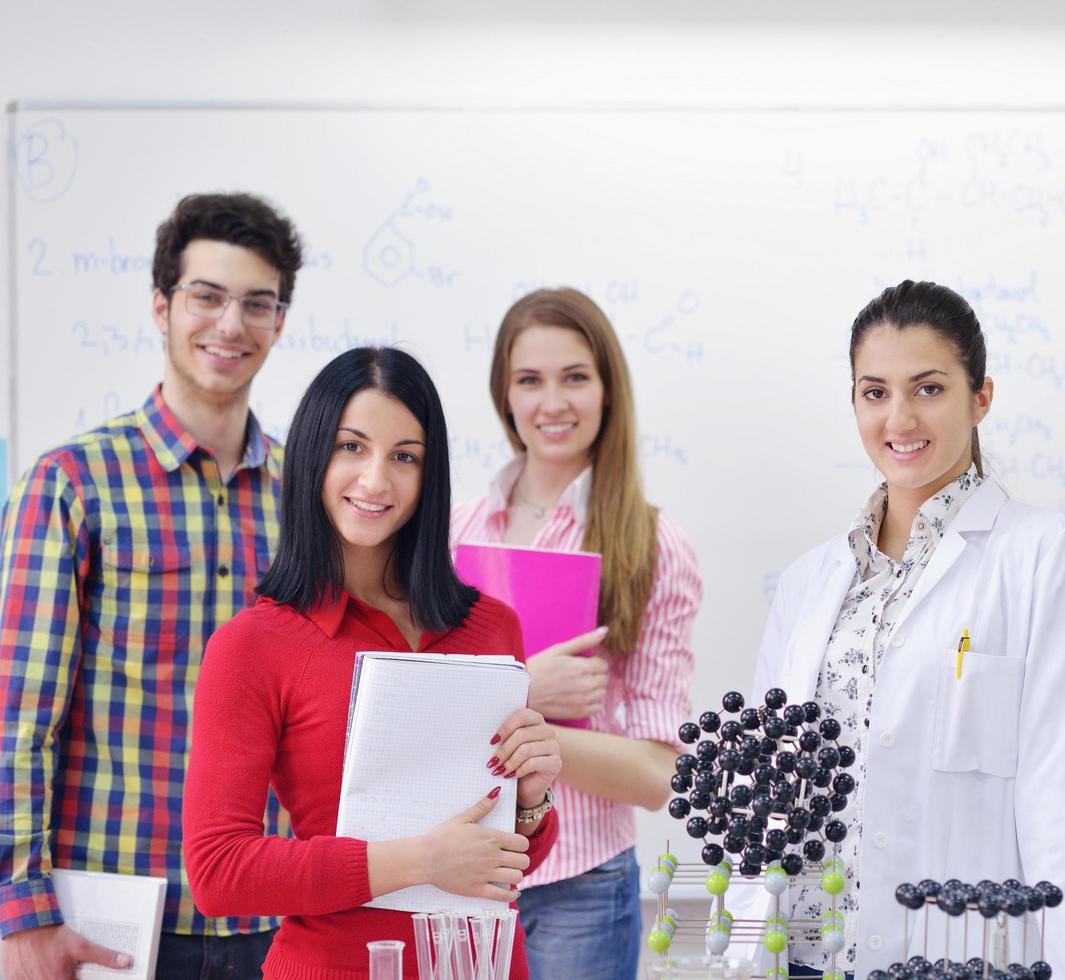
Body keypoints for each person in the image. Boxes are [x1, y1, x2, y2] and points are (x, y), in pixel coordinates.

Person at [731, 281, 1065, 979]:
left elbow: (1059, 802)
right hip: (805, 960)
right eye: (874, 392)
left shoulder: (1042, 554)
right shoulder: (810, 582)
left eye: (929, 388)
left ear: (982, 398)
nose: (899, 417)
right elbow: (766, 801)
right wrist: (743, 952)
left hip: (956, 953)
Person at [181, 347, 559, 979]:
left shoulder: (493, 627)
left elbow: (514, 860)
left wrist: (534, 795)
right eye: (351, 447)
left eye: (404, 456)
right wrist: (419, 861)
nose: (376, 480)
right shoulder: (252, 645)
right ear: (310, 457)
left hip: (483, 966)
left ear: (429, 474)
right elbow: (219, 873)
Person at [0, 193, 302, 978]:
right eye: (207, 297)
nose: (230, 325)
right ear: (162, 307)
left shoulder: (308, 498)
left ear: (278, 322)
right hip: (121, 919)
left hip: (280, 916)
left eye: (256, 304)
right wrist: (19, 912)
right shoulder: (72, 483)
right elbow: (15, 719)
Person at [449, 288, 700, 980]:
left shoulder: (653, 545)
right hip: (458, 873)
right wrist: (524, 685)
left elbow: (657, 776)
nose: (552, 403)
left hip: (581, 888)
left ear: (608, 390)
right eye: (530, 380)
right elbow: (413, 713)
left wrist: (513, 723)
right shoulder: (453, 531)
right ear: (505, 395)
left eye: (575, 378)